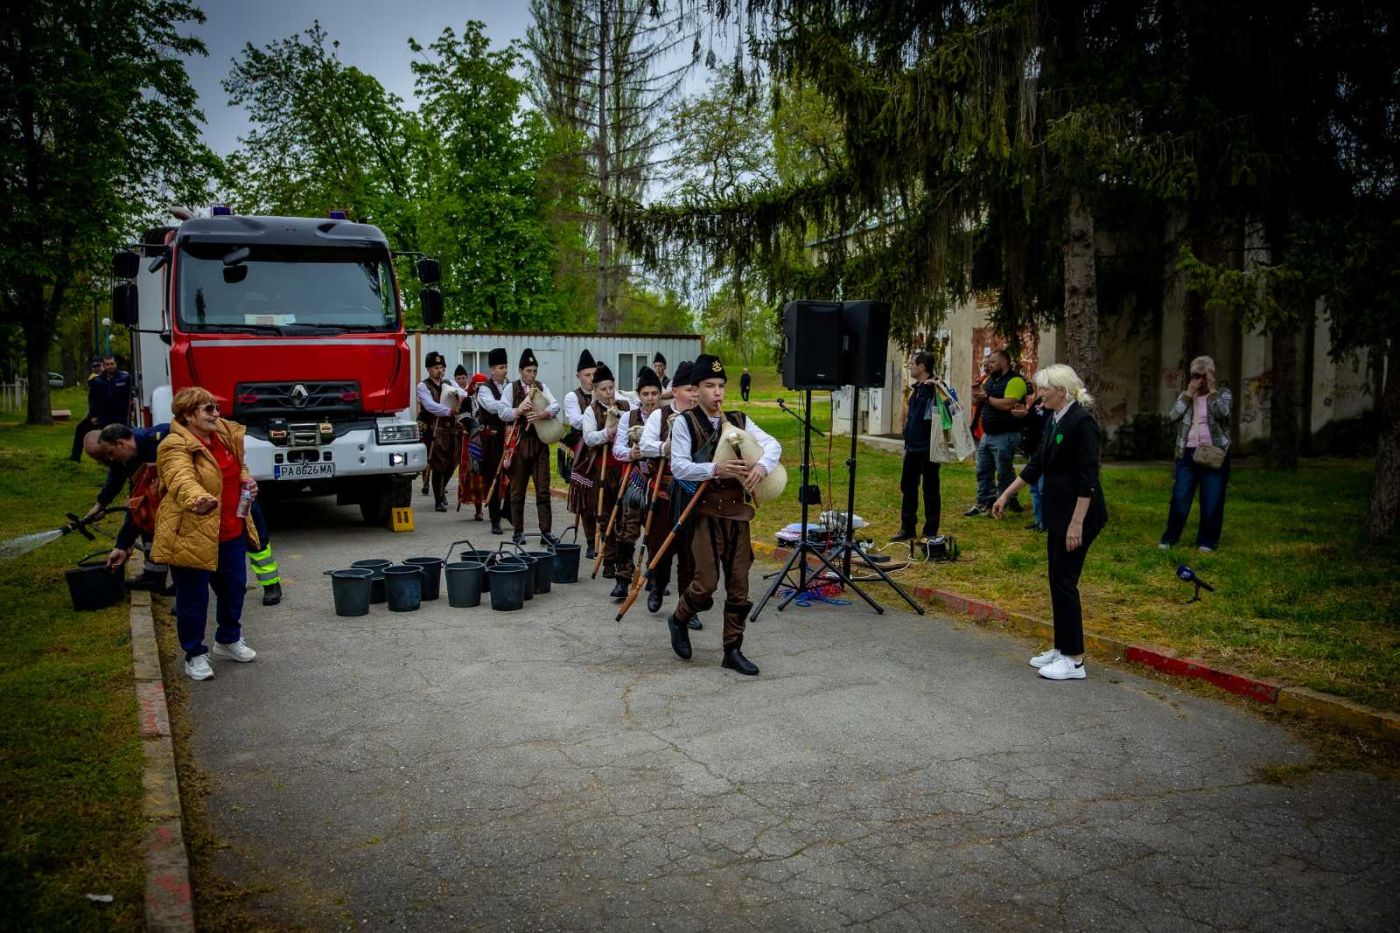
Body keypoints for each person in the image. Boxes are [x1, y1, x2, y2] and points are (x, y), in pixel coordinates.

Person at [666, 353, 781, 676]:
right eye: (709, 385)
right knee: (705, 583)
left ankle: (732, 649)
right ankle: (679, 619)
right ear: (695, 390)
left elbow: (772, 445)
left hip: (737, 514)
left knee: (739, 584)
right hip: (703, 513)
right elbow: (679, 467)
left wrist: (762, 467)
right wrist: (715, 469)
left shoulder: (740, 420)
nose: (717, 392)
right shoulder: (685, 423)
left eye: (720, 385)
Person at [991, 364, 1107, 681]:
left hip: (1079, 516)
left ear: (1063, 392)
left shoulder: (1082, 423)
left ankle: (1074, 660)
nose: (1039, 394)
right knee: (1056, 580)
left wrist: (1076, 524)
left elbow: (1088, 480)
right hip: (1058, 515)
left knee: (1066, 582)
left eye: (1044, 389)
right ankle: (1061, 647)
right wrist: (1006, 494)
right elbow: (1037, 463)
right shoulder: (1055, 418)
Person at [83, 423, 285, 604]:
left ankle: (271, 584)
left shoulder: (165, 440)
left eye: (109, 453)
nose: (109, 459)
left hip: (228, 490)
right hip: (198, 501)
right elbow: (134, 500)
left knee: (254, 535)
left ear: (121, 444)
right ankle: (190, 594)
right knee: (196, 544)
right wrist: (102, 507)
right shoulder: (130, 459)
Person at [152, 387, 262, 682]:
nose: (216, 414)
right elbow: (180, 478)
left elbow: (238, 464)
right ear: (188, 416)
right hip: (192, 534)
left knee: (234, 590)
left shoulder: (223, 435)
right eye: (208, 409)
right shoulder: (174, 445)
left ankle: (228, 640)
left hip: (231, 530)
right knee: (193, 599)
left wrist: (246, 479)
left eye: (216, 407)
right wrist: (197, 498)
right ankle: (194, 654)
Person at [640, 360, 699, 619]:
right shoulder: (660, 416)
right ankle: (658, 585)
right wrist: (667, 446)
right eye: (689, 389)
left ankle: (687, 607)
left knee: (690, 552)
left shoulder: (702, 417)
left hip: (693, 494)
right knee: (660, 547)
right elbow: (645, 445)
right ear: (675, 391)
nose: (694, 395)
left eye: (697, 389)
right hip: (663, 493)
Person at [1159, 355, 1232, 552]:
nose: (1199, 381)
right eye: (1195, 376)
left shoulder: (1223, 394)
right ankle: (1169, 538)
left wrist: (1213, 391)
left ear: (1211, 375)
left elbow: (1223, 414)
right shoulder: (1187, 396)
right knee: (1180, 497)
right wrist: (1188, 395)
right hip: (1188, 452)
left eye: (1202, 376)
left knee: (1212, 499)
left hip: (1214, 453)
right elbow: (1172, 416)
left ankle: (1207, 541)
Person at [493, 348, 559, 544]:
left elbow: (555, 405)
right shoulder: (511, 388)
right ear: (520, 370)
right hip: (519, 442)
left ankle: (546, 533)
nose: (532, 375)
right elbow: (502, 412)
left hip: (539, 442)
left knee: (543, 489)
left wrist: (543, 414)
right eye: (529, 371)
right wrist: (518, 410)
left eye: (535, 371)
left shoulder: (541, 387)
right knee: (517, 489)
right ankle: (518, 531)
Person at [610, 365, 663, 599]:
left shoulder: (668, 418)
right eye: (645, 394)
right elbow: (617, 449)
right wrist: (631, 453)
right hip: (636, 479)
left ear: (659, 394)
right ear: (639, 395)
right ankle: (623, 578)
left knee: (656, 531)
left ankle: (655, 577)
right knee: (627, 530)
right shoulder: (628, 418)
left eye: (654, 393)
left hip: (660, 480)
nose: (650, 399)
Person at [578, 364, 630, 575]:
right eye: (603, 389)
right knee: (605, 514)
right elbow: (589, 438)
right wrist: (607, 433)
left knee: (624, 515)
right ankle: (608, 559)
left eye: (611, 388)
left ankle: (623, 560)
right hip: (603, 467)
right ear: (595, 390)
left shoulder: (625, 406)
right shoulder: (591, 411)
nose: (608, 393)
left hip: (624, 467)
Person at [966, 349, 1028, 516]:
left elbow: (1008, 404)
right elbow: (977, 402)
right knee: (983, 470)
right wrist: (976, 394)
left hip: (1006, 434)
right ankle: (984, 502)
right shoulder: (989, 380)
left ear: (1005, 362)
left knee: (1003, 471)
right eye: (989, 362)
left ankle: (1006, 502)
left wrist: (986, 397)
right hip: (987, 434)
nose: (989, 365)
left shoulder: (1015, 381)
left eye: (993, 362)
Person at [893, 352, 941, 542]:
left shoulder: (934, 389)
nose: (910, 367)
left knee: (930, 489)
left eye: (912, 364)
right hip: (913, 447)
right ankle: (908, 527)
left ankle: (930, 530)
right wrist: (907, 444)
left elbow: (938, 415)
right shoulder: (918, 389)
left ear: (922, 367)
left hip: (927, 448)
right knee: (908, 487)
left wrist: (934, 386)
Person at [473, 348, 512, 535]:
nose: (504, 371)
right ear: (492, 369)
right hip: (492, 438)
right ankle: (495, 519)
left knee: (516, 474)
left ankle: (508, 509)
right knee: (493, 479)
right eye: (501, 367)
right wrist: (512, 407)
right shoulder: (484, 389)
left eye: (505, 367)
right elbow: (492, 406)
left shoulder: (510, 386)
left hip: (509, 436)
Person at [563, 350, 597, 548]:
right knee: (586, 495)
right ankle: (591, 541)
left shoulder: (606, 392)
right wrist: (596, 411)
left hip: (603, 448)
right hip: (583, 451)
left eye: (594, 374)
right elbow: (576, 421)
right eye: (587, 375)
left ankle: (605, 541)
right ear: (579, 376)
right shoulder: (572, 396)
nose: (591, 379)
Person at [415, 352, 457, 512]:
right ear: (429, 369)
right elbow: (430, 405)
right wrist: (448, 411)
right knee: (438, 465)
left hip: (450, 429)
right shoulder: (423, 386)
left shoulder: (449, 383)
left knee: (451, 463)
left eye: (441, 367)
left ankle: (441, 489)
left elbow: (461, 393)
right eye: (436, 367)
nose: (440, 370)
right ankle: (438, 499)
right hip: (433, 429)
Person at [71, 356, 130, 462]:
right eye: (107, 364)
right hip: (102, 415)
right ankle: (74, 459)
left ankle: (122, 458)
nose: (110, 366)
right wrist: (93, 415)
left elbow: (131, 394)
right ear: (103, 366)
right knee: (80, 428)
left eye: (112, 364)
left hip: (120, 415)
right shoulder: (96, 381)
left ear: (116, 364)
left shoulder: (126, 378)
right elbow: (92, 399)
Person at [457, 372, 490, 521]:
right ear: (474, 386)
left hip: (488, 440)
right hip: (472, 440)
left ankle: (495, 506)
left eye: (484, 385)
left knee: (490, 473)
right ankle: (478, 510)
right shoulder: (468, 401)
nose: (481, 388)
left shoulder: (490, 400)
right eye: (479, 385)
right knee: (474, 474)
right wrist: (476, 429)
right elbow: (464, 417)